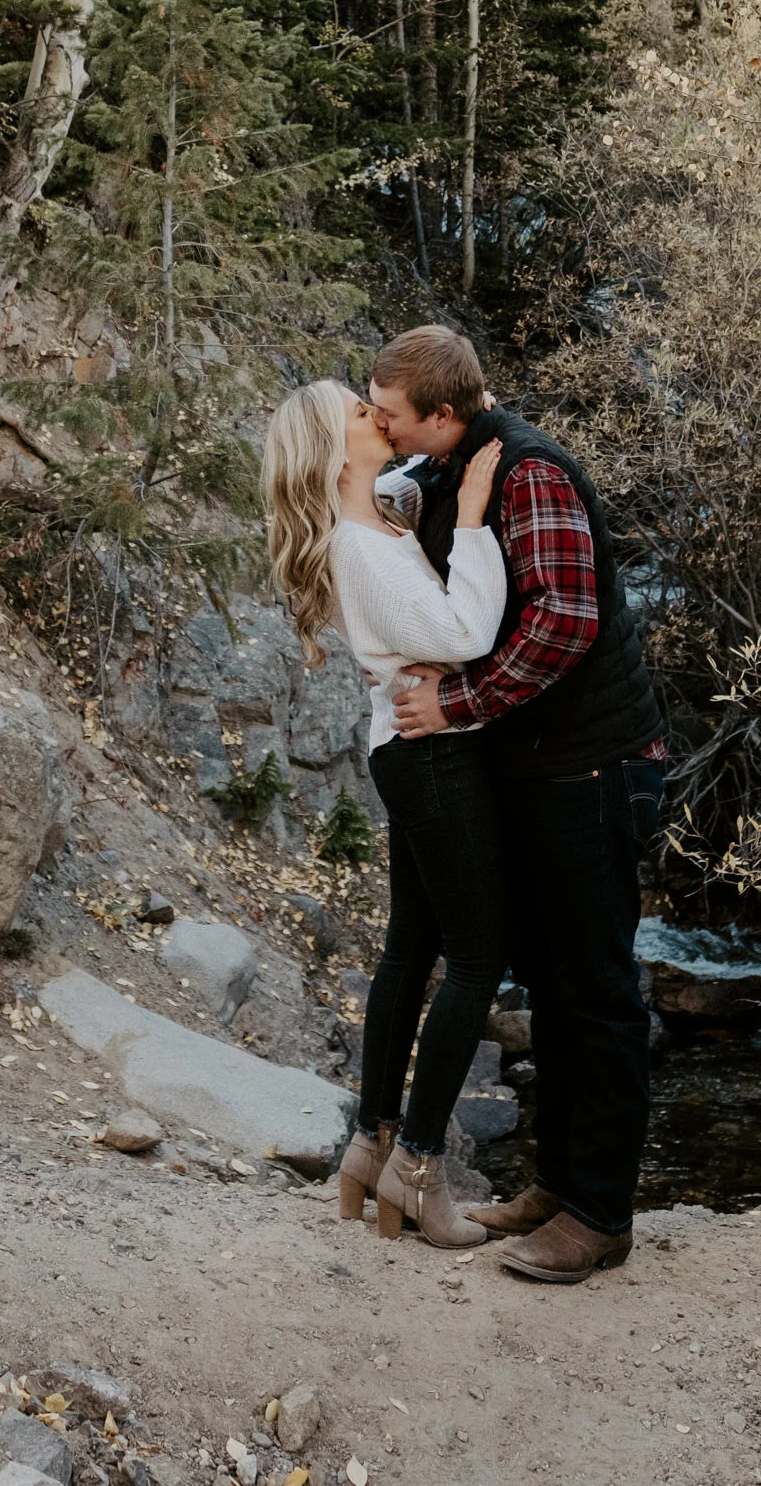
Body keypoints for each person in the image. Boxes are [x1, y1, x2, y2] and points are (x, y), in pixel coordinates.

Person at [367, 324, 665, 1285]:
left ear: (444, 416)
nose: (382, 425)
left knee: (600, 991)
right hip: (538, 769)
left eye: (394, 416)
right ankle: (556, 1184)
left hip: (594, 765)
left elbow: (566, 622)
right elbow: (389, 512)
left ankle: (598, 1216)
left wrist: (452, 702)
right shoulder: (449, 465)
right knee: (552, 986)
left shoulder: (532, 472)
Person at [262, 378, 508, 1248]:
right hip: (431, 755)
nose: (380, 420)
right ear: (336, 457)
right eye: (362, 415)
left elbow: (411, 471)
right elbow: (463, 635)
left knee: (411, 947)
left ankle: (370, 1143)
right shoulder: (362, 549)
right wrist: (474, 515)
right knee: (479, 959)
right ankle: (420, 1168)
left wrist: (461, 403)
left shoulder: (376, 514)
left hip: (403, 751)